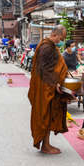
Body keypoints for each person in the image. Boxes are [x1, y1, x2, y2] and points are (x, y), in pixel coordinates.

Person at [28, 25, 68, 154]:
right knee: (44, 115)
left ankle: (47, 144)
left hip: (47, 86)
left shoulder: (49, 46)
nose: (61, 41)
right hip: (44, 88)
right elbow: (44, 70)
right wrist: (55, 82)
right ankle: (45, 146)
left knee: (48, 114)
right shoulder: (46, 47)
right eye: (61, 38)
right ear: (55, 35)